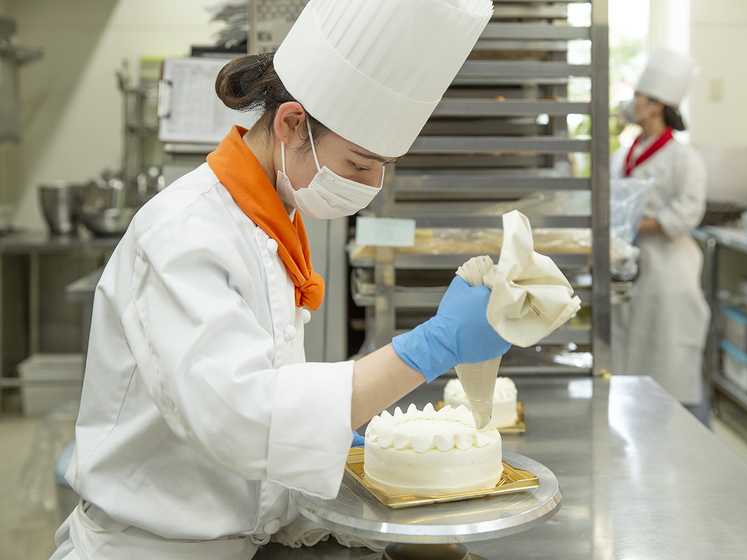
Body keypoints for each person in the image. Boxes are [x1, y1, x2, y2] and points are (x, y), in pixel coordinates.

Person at [50, 1, 504, 559]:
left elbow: (265, 398)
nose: (371, 186)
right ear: (291, 124)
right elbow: (238, 418)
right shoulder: (182, 233)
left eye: (384, 167)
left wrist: (342, 443)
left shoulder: (270, 219)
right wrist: (430, 347)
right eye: (359, 164)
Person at [611, 47, 711, 427]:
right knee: (631, 359)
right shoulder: (624, 154)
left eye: (639, 96)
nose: (632, 103)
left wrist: (633, 224)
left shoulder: (683, 158)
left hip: (669, 273)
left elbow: (685, 213)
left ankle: (690, 437)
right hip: (631, 269)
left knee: (670, 362)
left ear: (656, 106)